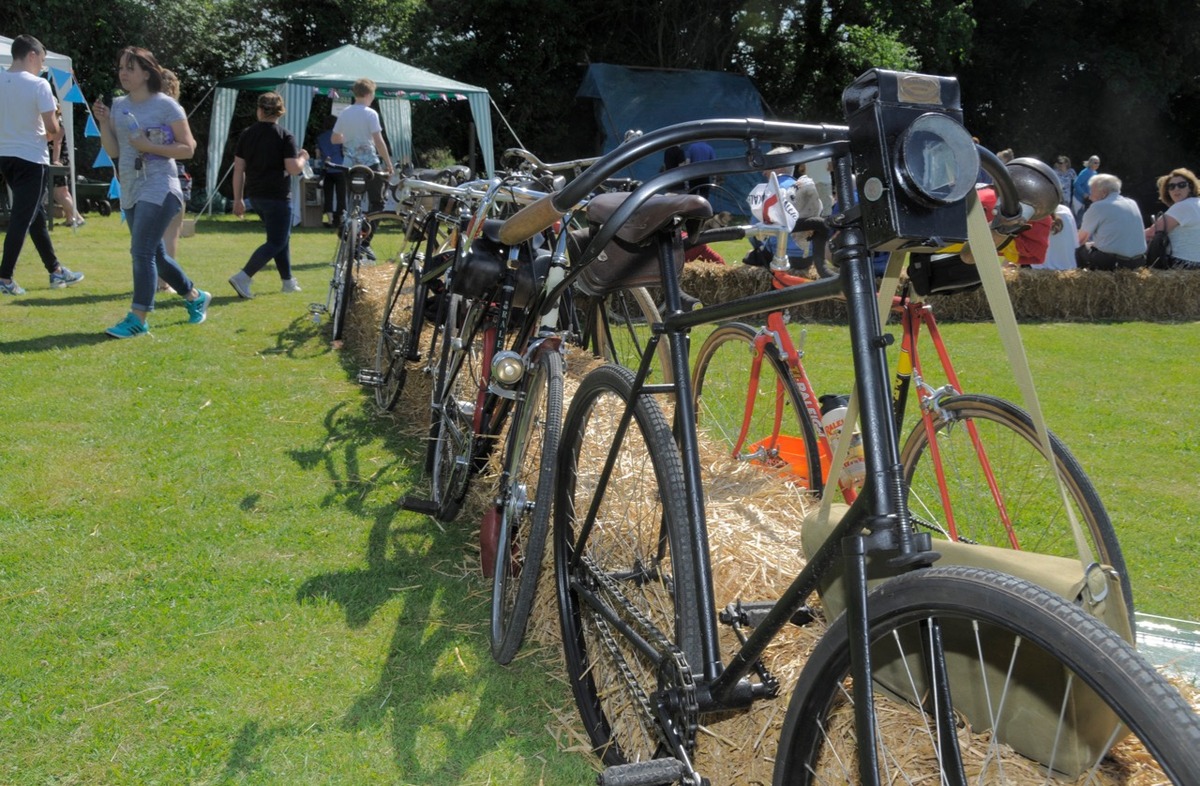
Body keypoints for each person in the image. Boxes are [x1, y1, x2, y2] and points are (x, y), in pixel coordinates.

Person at [92, 46, 210, 338]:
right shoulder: (118, 105)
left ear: (147, 73)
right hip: (131, 189)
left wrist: (150, 147)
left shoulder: (167, 106)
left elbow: (188, 149)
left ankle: (138, 318)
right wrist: (104, 123)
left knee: (141, 251)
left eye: (129, 68)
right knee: (156, 255)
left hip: (161, 186)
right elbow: (114, 151)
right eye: (121, 67)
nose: (123, 73)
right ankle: (196, 296)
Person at [0, 34, 84, 295]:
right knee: (23, 218)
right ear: (32, 55)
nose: (42, 66)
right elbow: (51, 129)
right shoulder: (38, 85)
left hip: (5, 156)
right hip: (32, 158)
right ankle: (4, 278)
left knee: (34, 215)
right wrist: (55, 122)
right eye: (42, 60)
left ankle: (56, 270)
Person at [228, 91, 308, 298]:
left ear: (259, 110)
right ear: (281, 111)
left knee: (281, 238)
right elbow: (292, 168)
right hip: (278, 195)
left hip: (255, 195)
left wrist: (238, 199)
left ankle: (288, 281)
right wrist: (303, 158)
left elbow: (239, 169)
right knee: (277, 241)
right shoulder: (285, 135)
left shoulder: (247, 133)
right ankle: (243, 277)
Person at [742, 146, 824, 270]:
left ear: (779, 167)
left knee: (749, 256)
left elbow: (756, 230)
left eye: (767, 167)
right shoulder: (805, 188)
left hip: (781, 257)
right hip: (807, 258)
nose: (764, 172)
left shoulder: (769, 190)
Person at [331, 77, 394, 213]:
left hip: (349, 165)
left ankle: (349, 226)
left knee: (352, 198)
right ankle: (368, 231)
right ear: (369, 94)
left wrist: (350, 138)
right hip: (369, 163)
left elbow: (334, 139)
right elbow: (378, 141)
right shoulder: (371, 114)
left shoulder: (344, 113)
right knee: (377, 200)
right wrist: (389, 164)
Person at [157, 68, 189, 292]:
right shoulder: (175, 110)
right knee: (171, 232)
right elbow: (186, 146)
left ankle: (157, 280)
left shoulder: (142, 108)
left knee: (151, 234)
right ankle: (164, 283)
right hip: (172, 173)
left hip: (147, 175)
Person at [1075, 173, 1146, 270]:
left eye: (1092, 192)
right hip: (1138, 262)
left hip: (1113, 263)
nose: (1090, 197)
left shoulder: (1098, 206)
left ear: (1104, 192)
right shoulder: (1132, 203)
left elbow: (1080, 240)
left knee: (1077, 249)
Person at [1144, 167, 1200, 269]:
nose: (1176, 189)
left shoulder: (1183, 206)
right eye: (1171, 186)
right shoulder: (1196, 203)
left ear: (1190, 187)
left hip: (1182, 264)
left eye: (1181, 185)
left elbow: (1152, 232)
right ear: (1167, 191)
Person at [50, 104, 84, 227]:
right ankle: (70, 219)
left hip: (60, 160)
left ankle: (78, 217)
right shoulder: (59, 121)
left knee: (59, 193)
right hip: (64, 159)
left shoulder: (58, 123)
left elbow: (57, 143)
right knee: (64, 191)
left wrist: (55, 160)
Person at [315, 115, 345, 227]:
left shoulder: (320, 137)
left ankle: (330, 220)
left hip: (327, 169)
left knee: (328, 195)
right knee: (341, 195)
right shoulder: (340, 136)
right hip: (340, 167)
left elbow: (318, 155)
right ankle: (341, 219)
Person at [1035, 203, 1079, 270]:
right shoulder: (1067, 211)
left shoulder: (1031, 214)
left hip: (1040, 270)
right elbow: (1075, 244)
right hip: (1069, 269)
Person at [1072, 155, 1100, 219]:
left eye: (1098, 163)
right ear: (1090, 163)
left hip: (1087, 200)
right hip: (1078, 199)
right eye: (1095, 162)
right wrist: (1083, 193)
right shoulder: (1086, 172)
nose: (1097, 164)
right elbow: (1076, 183)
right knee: (1077, 218)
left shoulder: (1095, 173)